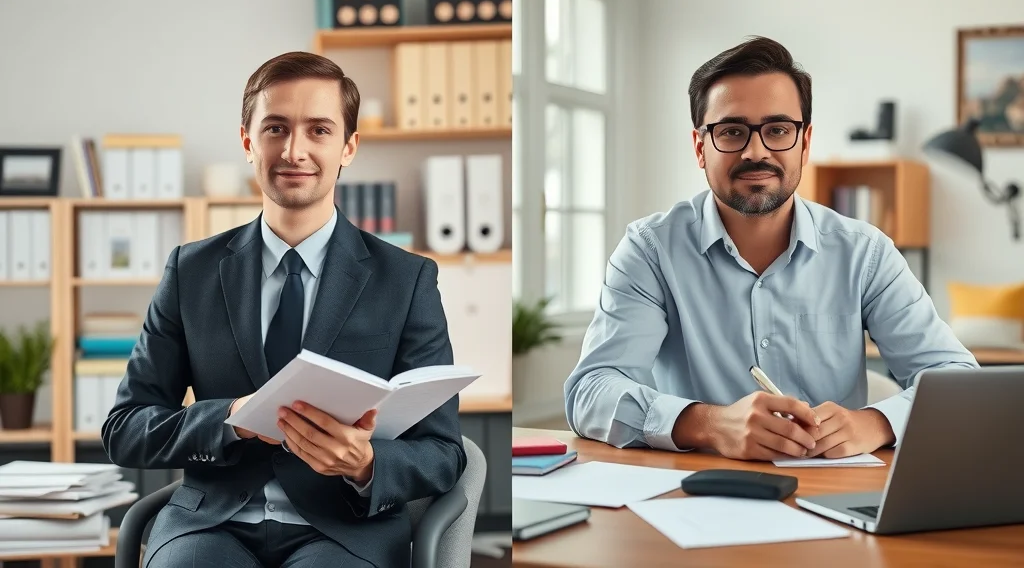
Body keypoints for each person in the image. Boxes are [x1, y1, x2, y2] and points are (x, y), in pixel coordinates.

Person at [101, 51, 466, 568]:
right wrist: (229, 420)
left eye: (319, 130)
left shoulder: (406, 280)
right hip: (211, 524)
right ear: (249, 141)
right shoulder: (191, 271)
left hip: (343, 533)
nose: (295, 150)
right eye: (276, 128)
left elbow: (443, 451)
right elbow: (125, 428)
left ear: (348, 148)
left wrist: (366, 464)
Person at [563, 37, 978, 462]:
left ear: (805, 141)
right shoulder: (650, 250)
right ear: (700, 147)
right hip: (691, 493)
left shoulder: (865, 254)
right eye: (731, 131)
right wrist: (708, 423)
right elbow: (591, 391)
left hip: (834, 494)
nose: (755, 151)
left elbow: (958, 380)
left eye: (778, 130)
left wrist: (876, 423)